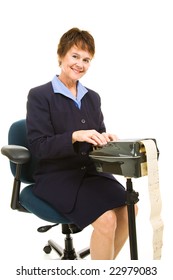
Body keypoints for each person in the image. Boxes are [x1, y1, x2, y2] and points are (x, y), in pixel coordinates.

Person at [26, 27, 137, 260]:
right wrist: (74, 136)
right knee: (107, 220)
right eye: (75, 56)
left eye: (86, 59)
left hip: (91, 173)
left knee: (131, 210)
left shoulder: (92, 97)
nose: (80, 64)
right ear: (61, 56)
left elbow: (98, 134)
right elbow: (39, 147)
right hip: (58, 176)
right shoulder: (40, 96)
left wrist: (105, 140)